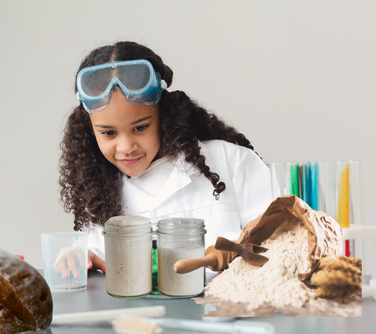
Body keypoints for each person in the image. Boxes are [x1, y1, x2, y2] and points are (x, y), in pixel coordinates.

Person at [58, 41, 273, 275]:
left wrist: (242, 256)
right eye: (109, 133)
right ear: (90, 130)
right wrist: (78, 258)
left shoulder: (231, 162)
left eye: (140, 128)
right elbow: (95, 263)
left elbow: (294, 236)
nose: (126, 147)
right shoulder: (98, 197)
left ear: (162, 114)